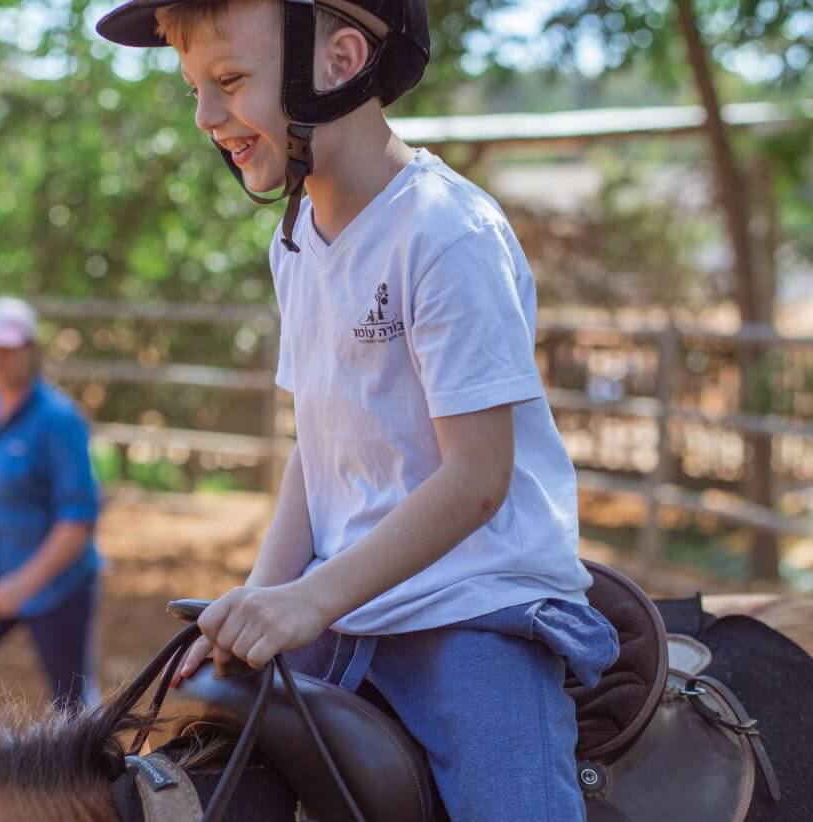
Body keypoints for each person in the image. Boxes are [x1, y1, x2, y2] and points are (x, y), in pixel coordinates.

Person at [97, 2, 621, 818]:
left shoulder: (445, 232)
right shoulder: (297, 238)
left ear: (338, 60)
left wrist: (309, 600)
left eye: (229, 80)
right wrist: (258, 596)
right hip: (343, 604)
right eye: (194, 88)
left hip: (469, 608)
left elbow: (478, 478)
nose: (205, 117)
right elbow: (319, 444)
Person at [0, 297, 102, 712]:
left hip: (56, 584)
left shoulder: (58, 420)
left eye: (7, 349)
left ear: (31, 349)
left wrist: (24, 583)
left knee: (71, 709)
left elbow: (78, 519)